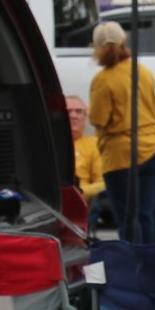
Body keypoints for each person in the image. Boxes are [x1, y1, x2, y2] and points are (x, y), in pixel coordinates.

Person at [88, 20, 155, 242]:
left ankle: (133, 267)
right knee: (145, 215)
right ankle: (150, 265)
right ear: (123, 41)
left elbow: (100, 120)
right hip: (153, 147)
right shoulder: (143, 71)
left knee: (127, 218)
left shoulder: (103, 79)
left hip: (121, 155)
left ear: (96, 46)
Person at [68, 94, 106, 223]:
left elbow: (103, 183)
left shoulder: (95, 144)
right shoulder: (47, 144)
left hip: (82, 200)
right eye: (68, 111)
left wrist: (80, 192)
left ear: (85, 116)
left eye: (79, 111)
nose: (73, 115)